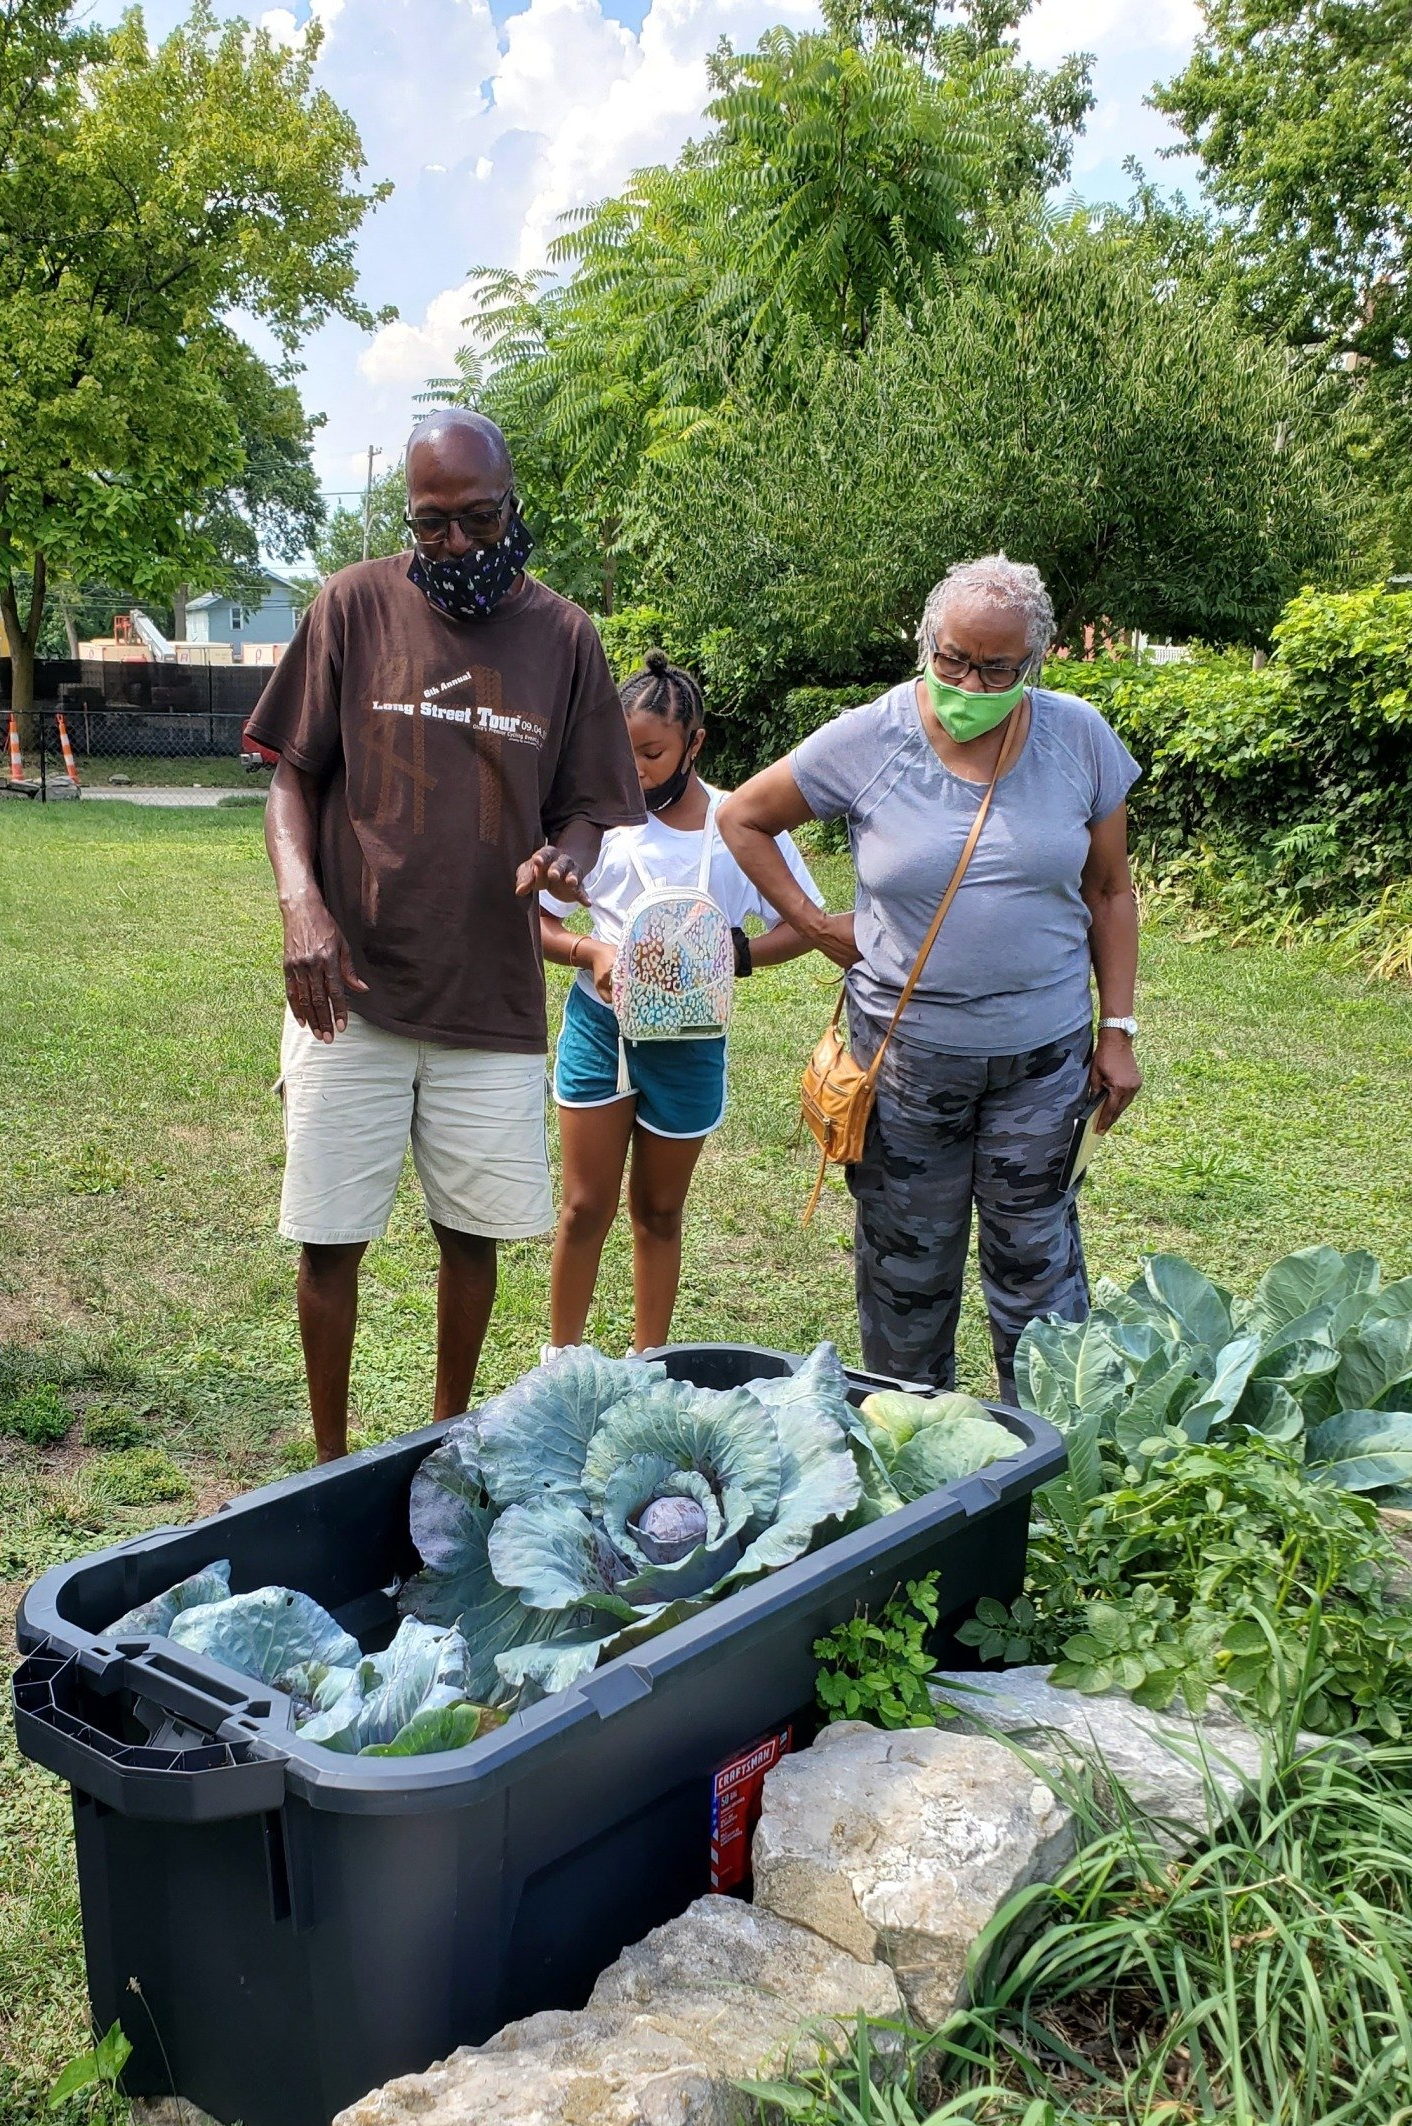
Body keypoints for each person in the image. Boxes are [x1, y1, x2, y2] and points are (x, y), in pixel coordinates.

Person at [251, 408, 644, 1459]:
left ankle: (441, 1447)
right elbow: (292, 771)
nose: (460, 546)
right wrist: (301, 904)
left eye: (480, 519)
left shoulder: (564, 637)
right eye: (433, 526)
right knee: (329, 1242)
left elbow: (593, 805)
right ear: (407, 518)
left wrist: (569, 854)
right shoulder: (352, 606)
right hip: (354, 994)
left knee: (470, 1240)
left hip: (490, 997)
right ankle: (328, 1463)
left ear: (515, 504)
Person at [718, 553, 1143, 1399]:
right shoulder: (872, 736)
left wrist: (1117, 1031)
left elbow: (1110, 889)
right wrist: (810, 924)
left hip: (1042, 1061)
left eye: (997, 666)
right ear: (926, 643)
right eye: (953, 658)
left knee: (1040, 1269)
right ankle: (920, 1472)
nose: (971, 680)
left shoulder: (1079, 738)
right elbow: (742, 816)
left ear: (1036, 660)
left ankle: (1050, 1461)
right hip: (904, 1063)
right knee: (907, 1274)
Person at [541, 650, 835, 1353]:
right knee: (584, 1208)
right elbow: (536, 921)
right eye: (623, 750)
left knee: (660, 1212)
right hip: (600, 1033)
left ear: (694, 744)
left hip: (692, 1041)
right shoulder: (597, 824)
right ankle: (559, 1361)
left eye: (651, 752)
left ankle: (649, 1362)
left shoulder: (741, 825)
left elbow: (807, 923)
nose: (634, 769)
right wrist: (592, 952)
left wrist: (733, 956)